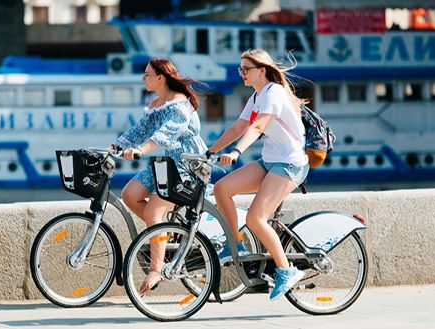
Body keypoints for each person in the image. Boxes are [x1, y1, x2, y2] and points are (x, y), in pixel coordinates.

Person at [206, 49, 309, 301]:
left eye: (246, 69)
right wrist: (211, 151)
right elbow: (239, 126)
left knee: (256, 218)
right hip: (271, 161)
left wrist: (237, 151)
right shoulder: (257, 95)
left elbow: (258, 126)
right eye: (240, 69)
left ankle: (287, 270)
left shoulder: (273, 92)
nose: (241, 73)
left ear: (261, 70)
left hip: (290, 164)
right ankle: (236, 245)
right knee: (221, 189)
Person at [113, 57, 208, 294]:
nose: (143, 78)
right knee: (130, 194)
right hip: (167, 164)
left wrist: (140, 151)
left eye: (147, 74)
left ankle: (156, 269)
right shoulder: (157, 103)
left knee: (154, 212)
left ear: (160, 77)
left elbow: (164, 136)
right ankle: (161, 234)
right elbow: (140, 130)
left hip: (189, 165)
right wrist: (115, 147)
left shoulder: (179, 105)